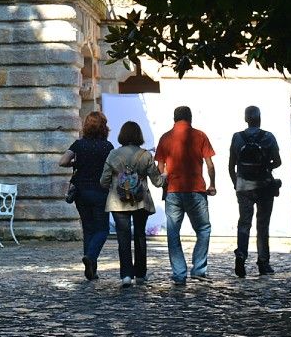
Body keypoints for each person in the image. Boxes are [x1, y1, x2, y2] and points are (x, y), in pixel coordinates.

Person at [154, 105, 218, 283]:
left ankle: (179, 273)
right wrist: (212, 184)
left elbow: (160, 168)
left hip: (173, 191)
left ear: (174, 119)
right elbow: (210, 165)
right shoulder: (200, 136)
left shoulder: (165, 138)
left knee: (173, 233)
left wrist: (163, 185)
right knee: (203, 229)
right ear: (190, 118)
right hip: (196, 189)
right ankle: (198, 269)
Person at [99, 121, 164, 286]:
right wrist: (166, 175)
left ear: (122, 135)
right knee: (140, 236)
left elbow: (103, 181)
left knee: (123, 237)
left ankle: (126, 275)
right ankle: (141, 274)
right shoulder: (145, 155)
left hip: (118, 201)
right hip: (141, 201)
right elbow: (157, 181)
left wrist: (116, 184)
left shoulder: (113, 154)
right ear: (139, 136)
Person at [58, 111, 114, 280]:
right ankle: (90, 257)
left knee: (88, 229)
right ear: (103, 127)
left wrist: (77, 162)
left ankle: (91, 270)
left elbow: (62, 162)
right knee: (103, 229)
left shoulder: (79, 144)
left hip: (81, 193)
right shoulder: (107, 147)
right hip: (101, 192)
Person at [229, 105, 283, 277]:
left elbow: (231, 166)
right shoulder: (268, 137)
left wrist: (236, 184)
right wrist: (266, 166)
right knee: (262, 225)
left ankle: (241, 255)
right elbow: (278, 161)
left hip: (244, 187)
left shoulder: (237, 138)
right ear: (260, 118)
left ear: (246, 119)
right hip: (264, 186)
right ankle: (263, 262)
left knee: (244, 223)